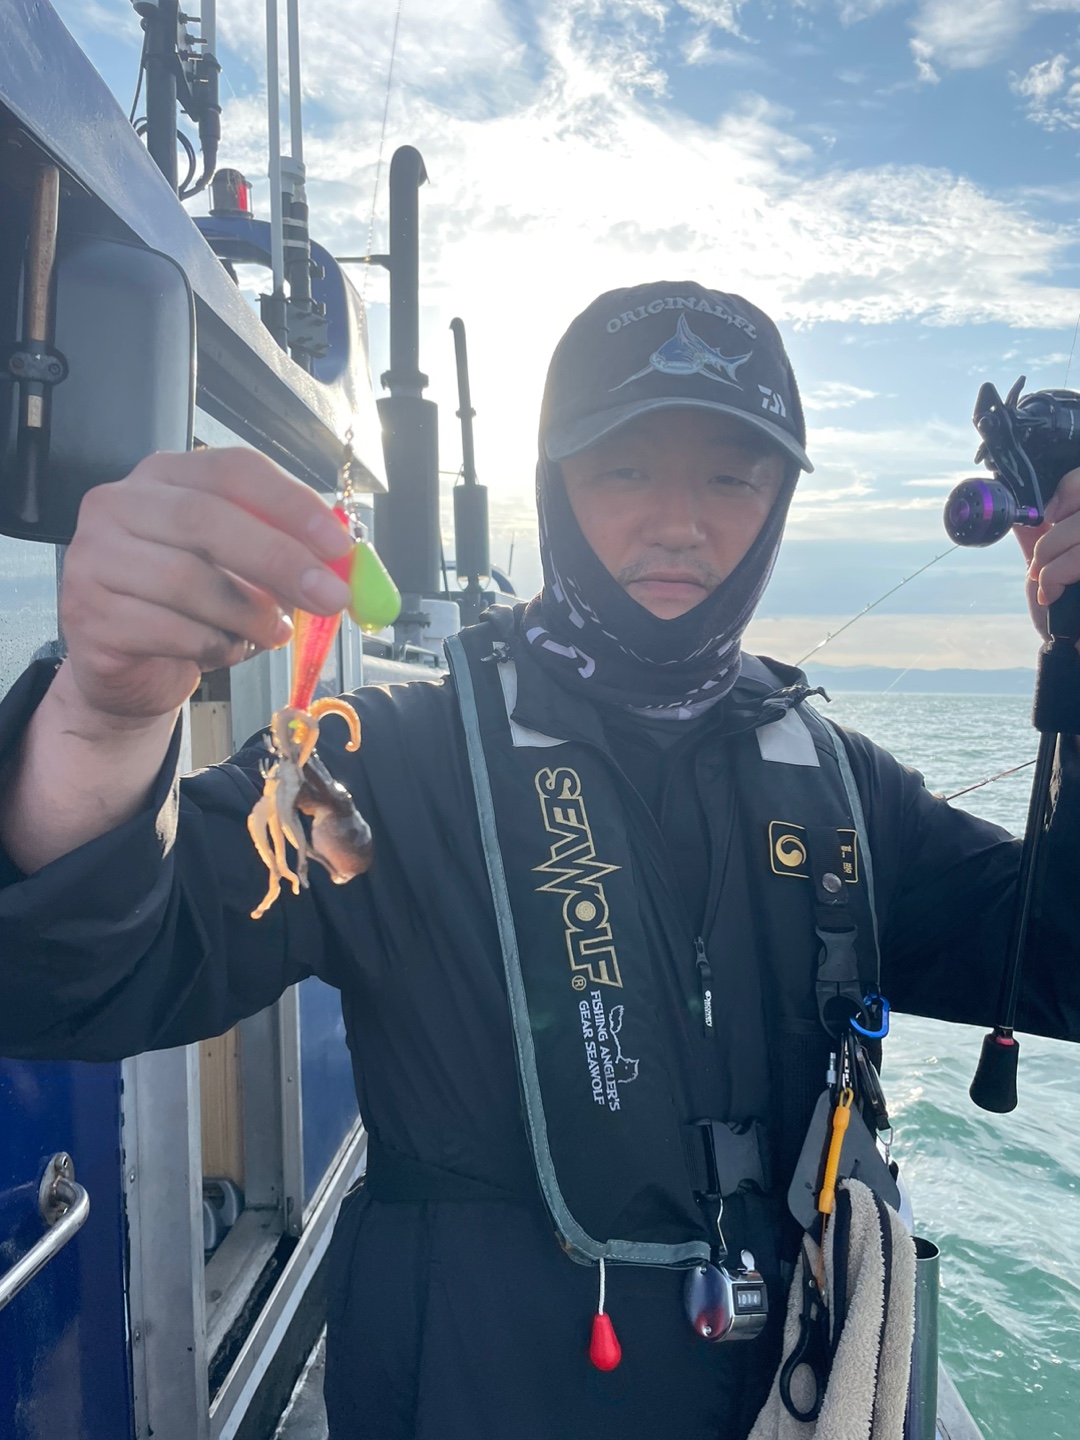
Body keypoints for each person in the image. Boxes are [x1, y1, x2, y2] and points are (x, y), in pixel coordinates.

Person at [2, 281, 1080, 1440]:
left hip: (793, 1393)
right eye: (625, 468)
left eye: (732, 476)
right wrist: (106, 715)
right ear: (555, 484)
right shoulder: (386, 762)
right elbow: (86, 977)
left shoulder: (848, 787)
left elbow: (1059, 965)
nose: (681, 521)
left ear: (778, 501)